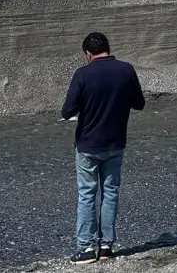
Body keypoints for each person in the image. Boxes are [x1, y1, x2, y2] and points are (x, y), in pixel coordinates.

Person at [61, 32, 146, 264]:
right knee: (110, 193)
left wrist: (86, 105)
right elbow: (139, 103)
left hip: (88, 144)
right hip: (116, 142)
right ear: (108, 48)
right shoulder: (126, 70)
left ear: (88, 54)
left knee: (87, 195)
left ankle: (86, 247)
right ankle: (106, 245)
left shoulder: (83, 74)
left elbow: (67, 111)